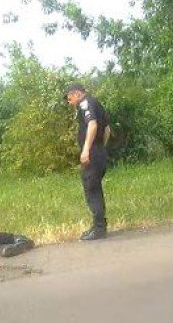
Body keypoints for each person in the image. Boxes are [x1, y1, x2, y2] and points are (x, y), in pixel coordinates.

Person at [64, 83, 111, 241]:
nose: (68, 101)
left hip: (92, 153)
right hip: (99, 152)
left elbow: (92, 124)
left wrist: (87, 149)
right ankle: (98, 225)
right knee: (95, 188)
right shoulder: (96, 103)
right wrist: (101, 147)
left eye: (69, 97)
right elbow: (107, 129)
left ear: (77, 93)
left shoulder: (85, 104)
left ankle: (99, 228)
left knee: (91, 189)